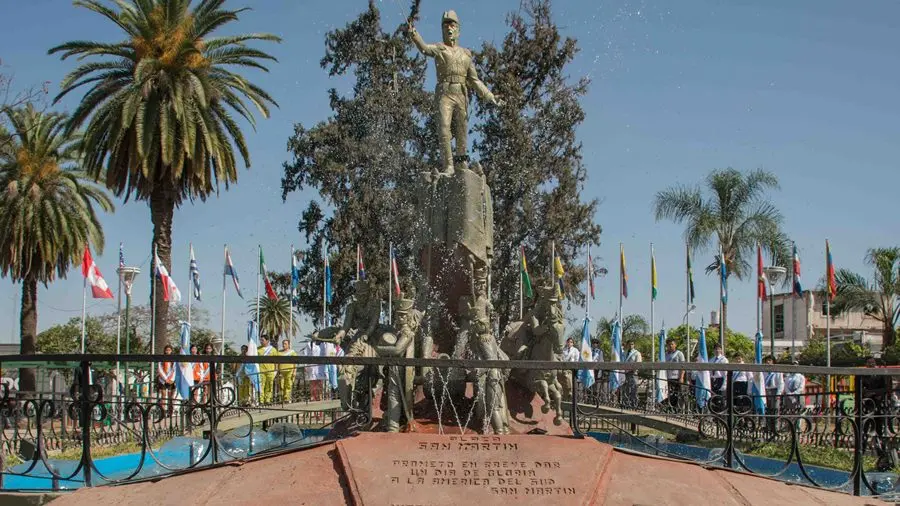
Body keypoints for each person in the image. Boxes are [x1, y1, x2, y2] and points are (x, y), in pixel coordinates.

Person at [407, 10, 502, 174]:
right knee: (444, 128)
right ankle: (449, 165)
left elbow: (474, 80)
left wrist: (489, 96)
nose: (449, 29)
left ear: (458, 30)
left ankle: (461, 163)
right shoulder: (439, 49)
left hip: (460, 94)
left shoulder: (466, 54)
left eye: (452, 25)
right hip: (444, 93)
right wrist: (414, 35)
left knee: (461, 130)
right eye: (445, 26)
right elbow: (424, 49)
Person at [763, 355, 783, 431]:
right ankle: (768, 427)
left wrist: (778, 393)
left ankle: (776, 428)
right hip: (766, 391)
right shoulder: (764, 372)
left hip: (774, 391)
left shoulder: (777, 371)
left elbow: (780, 383)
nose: (768, 362)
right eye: (767, 361)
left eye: (770, 360)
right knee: (767, 410)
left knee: (775, 410)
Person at [664, 338, 685, 409]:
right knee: (668, 394)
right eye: (668, 344)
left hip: (676, 378)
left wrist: (681, 377)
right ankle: (669, 409)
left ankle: (677, 410)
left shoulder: (679, 354)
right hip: (667, 377)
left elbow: (682, 366)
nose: (670, 346)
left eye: (672, 344)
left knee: (676, 394)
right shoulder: (665, 354)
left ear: (675, 345)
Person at [257, 335, 278, 404]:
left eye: (262, 340)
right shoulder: (258, 349)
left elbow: (276, 360)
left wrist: (276, 370)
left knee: (269, 385)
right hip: (261, 370)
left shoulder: (273, 350)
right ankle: (261, 400)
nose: (261, 341)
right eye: (260, 340)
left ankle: (268, 399)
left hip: (270, 370)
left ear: (267, 341)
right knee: (261, 385)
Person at [156, 345, 176, 415]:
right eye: (166, 350)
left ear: (171, 351)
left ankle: (170, 411)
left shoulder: (173, 360)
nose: (168, 351)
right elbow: (160, 369)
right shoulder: (161, 359)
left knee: (170, 396)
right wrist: (165, 379)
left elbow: (175, 370)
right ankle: (163, 411)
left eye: (169, 350)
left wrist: (171, 379)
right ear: (164, 351)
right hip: (163, 380)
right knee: (163, 395)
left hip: (171, 380)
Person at [623, 340, 642, 407]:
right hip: (625, 374)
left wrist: (633, 370)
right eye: (629, 344)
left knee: (634, 389)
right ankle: (626, 404)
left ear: (634, 345)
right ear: (627, 345)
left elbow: (638, 363)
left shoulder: (637, 353)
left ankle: (634, 404)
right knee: (626, 389)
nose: (631, 345)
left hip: (633, 373)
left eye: (632, 344)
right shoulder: (624, 353)